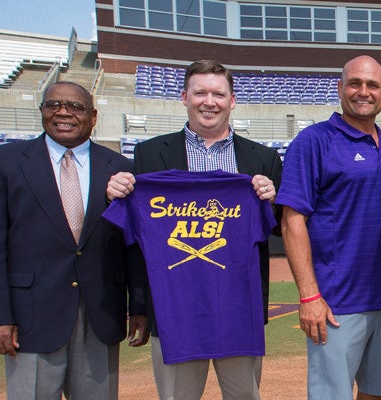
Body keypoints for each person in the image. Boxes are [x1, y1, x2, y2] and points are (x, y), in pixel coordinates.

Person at [106, 60, 282, 400]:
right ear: (184, 97)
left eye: (218, 93)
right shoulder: (149, 154)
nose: (209, 101)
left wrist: (269, 201)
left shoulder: (263, 159)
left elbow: (276, 229)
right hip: (174, 312)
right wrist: (139, 305)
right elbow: (137, 241)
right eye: (200, 92)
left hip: (239, 312)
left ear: (232, 101)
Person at [0, 81, 148, 399]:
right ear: (42, 111)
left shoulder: (122, 168)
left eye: (75, 107)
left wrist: (139, 306)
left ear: (94, 116)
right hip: (30, 319)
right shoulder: (2, 163)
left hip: (100, 316)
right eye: (53, 105)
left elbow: (133, 247)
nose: (63, 112)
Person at [276, 55, 381, 400]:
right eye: (355, 83)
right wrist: (309, 296)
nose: (363, 92)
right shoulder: (314, 141)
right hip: (336, 303)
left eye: (372, 85)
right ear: (340, 88)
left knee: (377, 392)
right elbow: (292, 221)